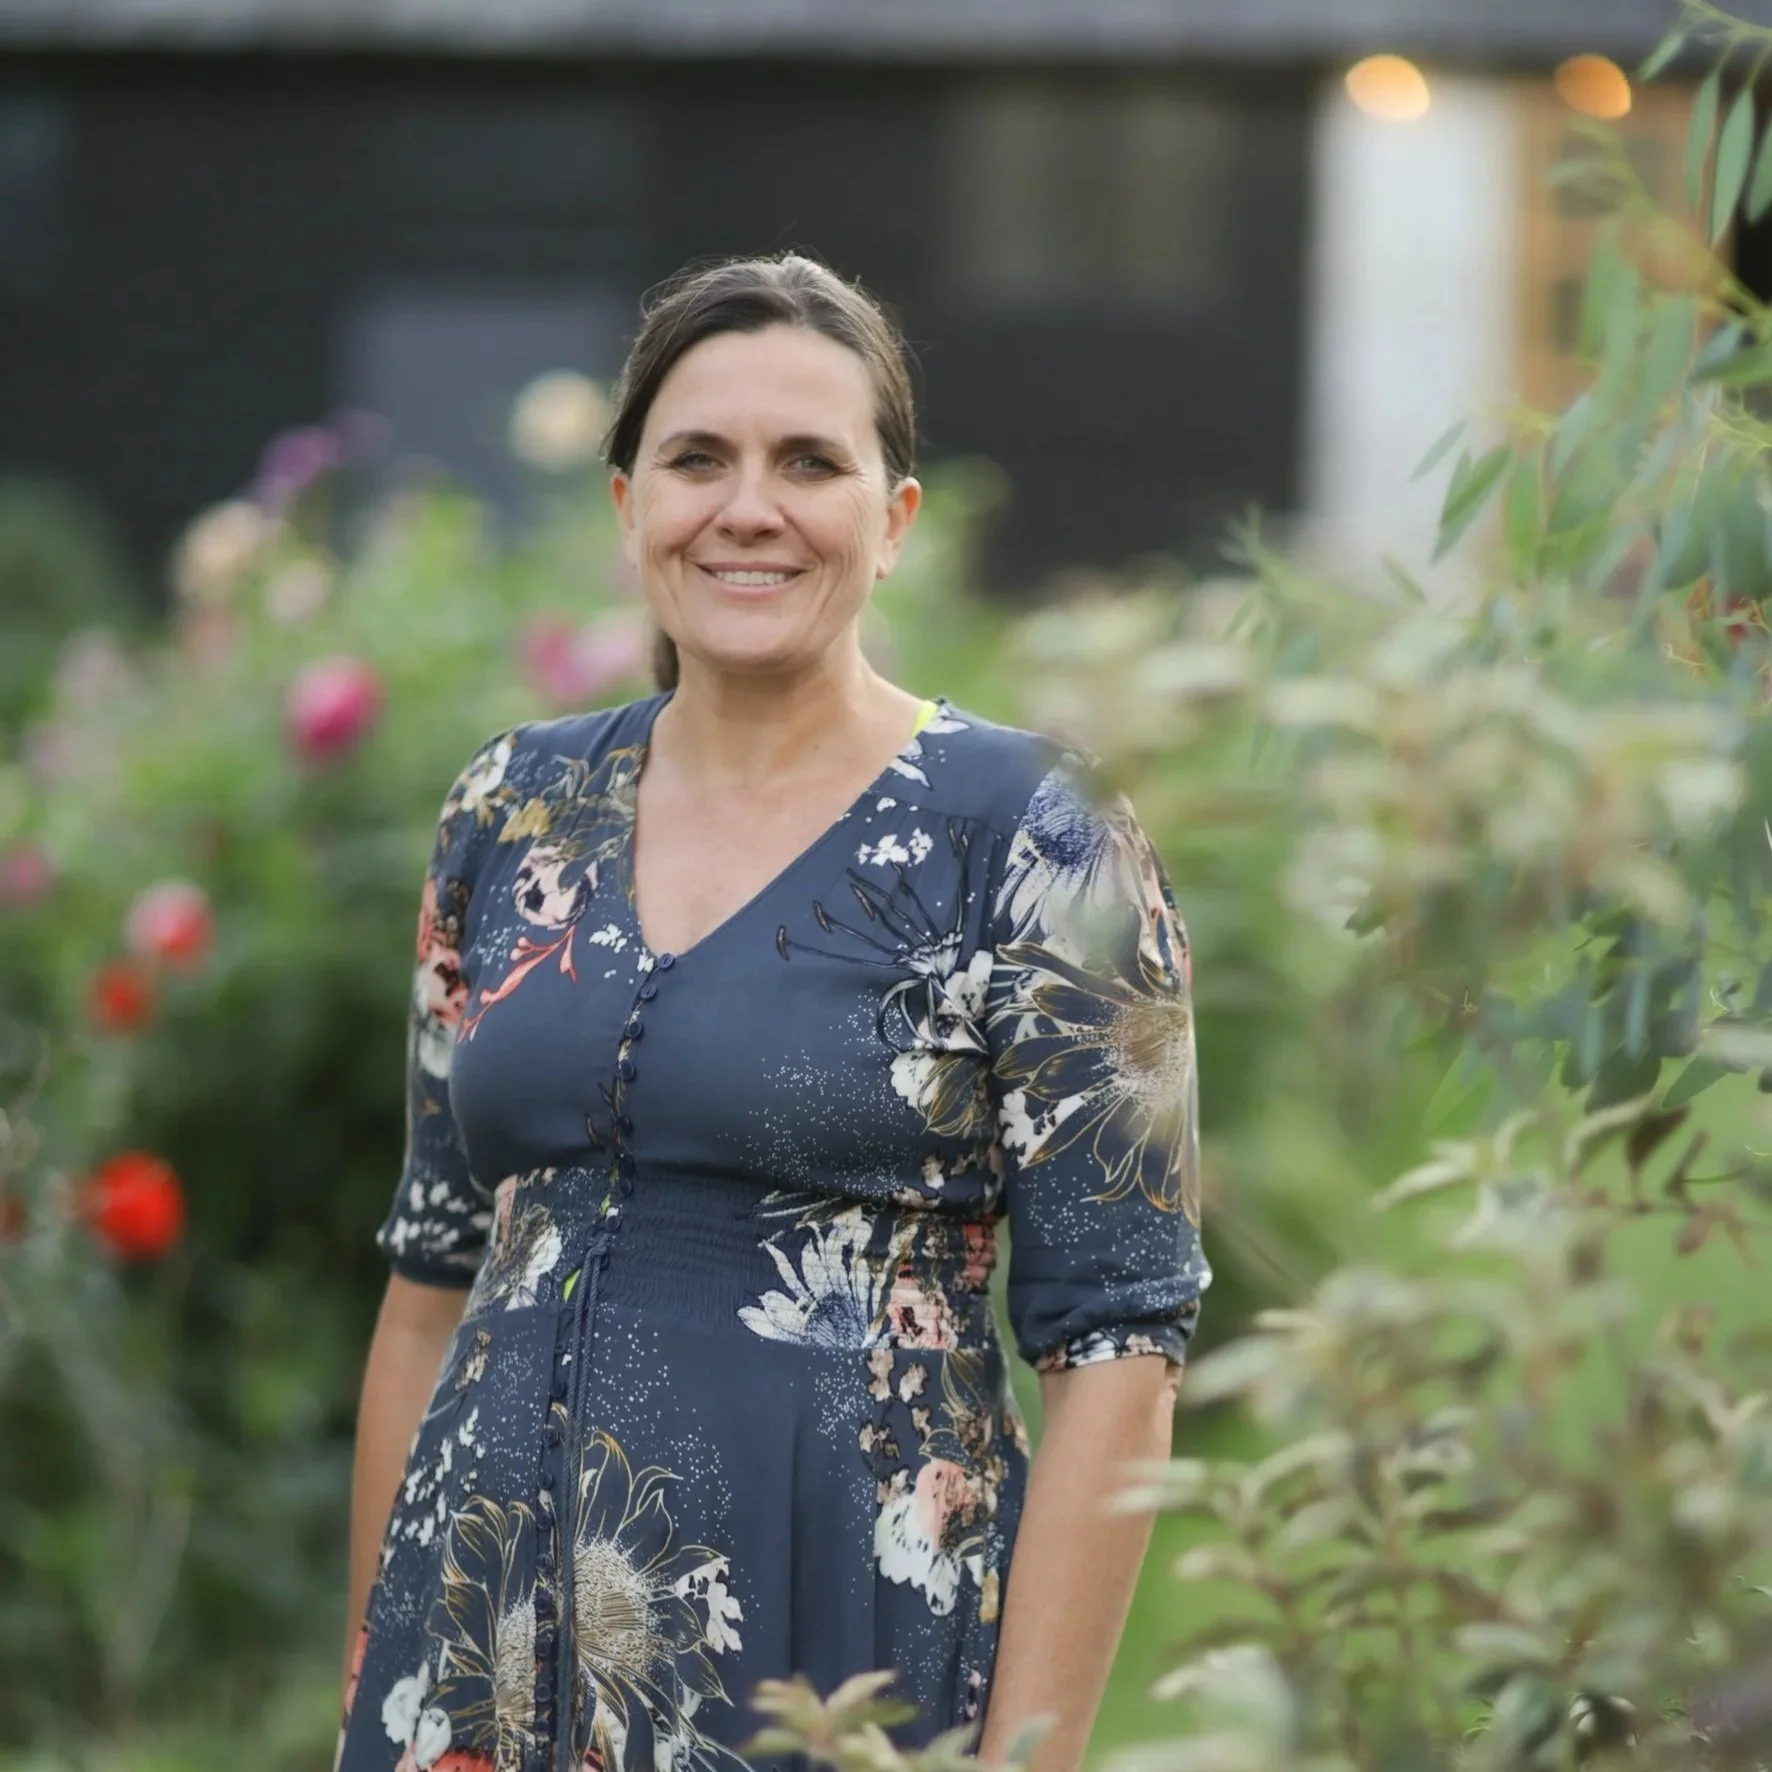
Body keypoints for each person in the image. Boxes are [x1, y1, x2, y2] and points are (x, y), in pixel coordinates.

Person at [339, 252, 1210, 1772]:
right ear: (627, 508)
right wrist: (380, 1681)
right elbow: (429, 1284)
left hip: (839, 1665)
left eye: (810, 461)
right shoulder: (508, 809)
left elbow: (1122, 1356)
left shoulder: (1033, 833)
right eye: (697, 459)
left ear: (894, 521)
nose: (749, 507)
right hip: (476, 1672)